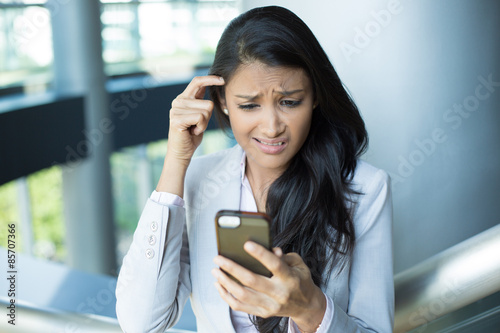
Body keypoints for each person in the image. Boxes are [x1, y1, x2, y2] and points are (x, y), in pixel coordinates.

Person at [116, 5, 393, 333]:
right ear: (222, 102)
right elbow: (141, 323)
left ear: (316, 96)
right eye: (249, 105)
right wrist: (176, 161)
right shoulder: (198, 181)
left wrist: (310, 309)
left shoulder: (365, 189)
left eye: (290, 102)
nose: (272, 127)